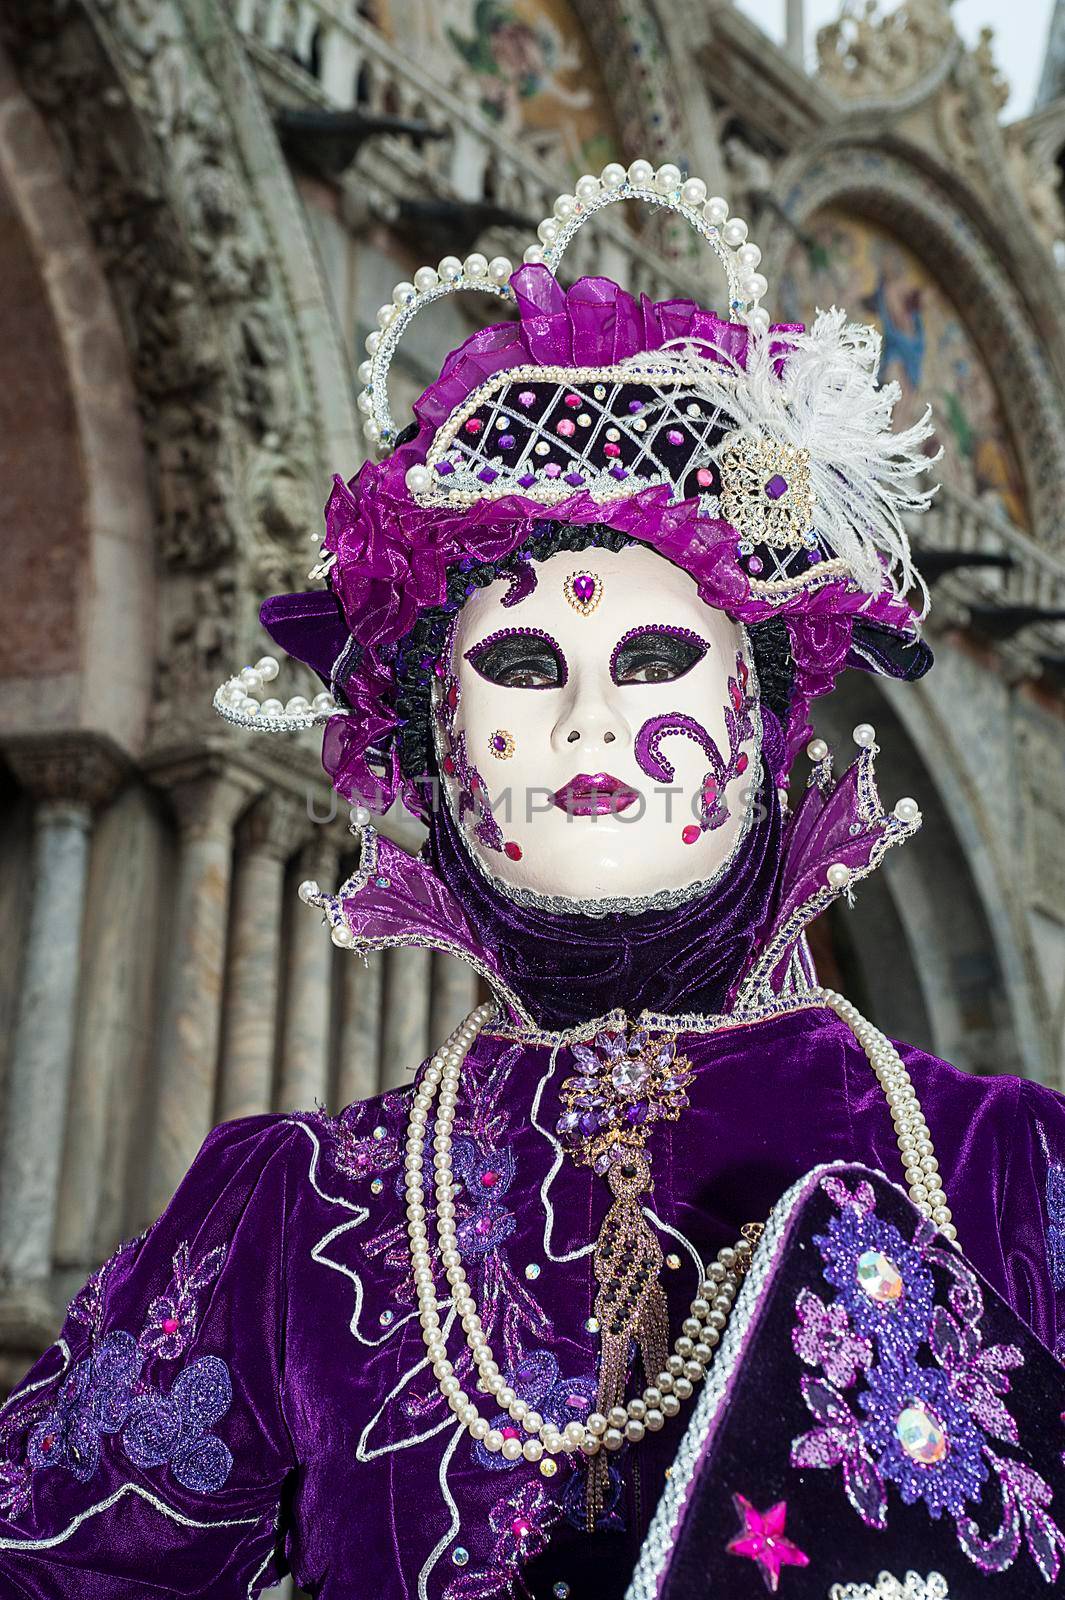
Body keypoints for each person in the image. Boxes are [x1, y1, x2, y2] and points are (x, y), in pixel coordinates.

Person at [2, 160, 1064, 1600]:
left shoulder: (1009, 1177)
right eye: (517, 666)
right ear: (431, 742)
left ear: (763, 722)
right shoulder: (286, 1224)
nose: (586, 727)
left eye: (651, 660)